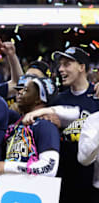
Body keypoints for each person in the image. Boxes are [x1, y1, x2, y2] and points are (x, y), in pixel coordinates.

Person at [29, 47, 99, 203]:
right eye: (60, 65)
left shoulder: (96, 96)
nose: (60, 69)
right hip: (62, 176)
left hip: (91, 180)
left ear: (82, 67)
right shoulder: (58, 100)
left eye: (67, 64)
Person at [0, 77, 60, 182]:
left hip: (32, 190)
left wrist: (6, 167)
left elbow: (49, 168)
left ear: (39, 99)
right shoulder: (14, 124)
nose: (19, 92)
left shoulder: (45, 125)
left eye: (26, 90)